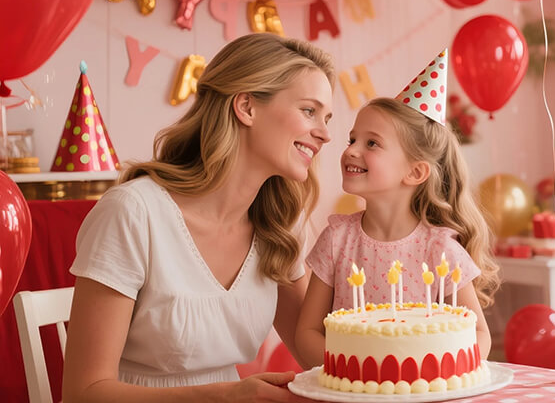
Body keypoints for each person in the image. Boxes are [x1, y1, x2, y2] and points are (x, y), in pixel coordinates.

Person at [63, 33, 336, 402]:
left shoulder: (280, 224)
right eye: (309, 111)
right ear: (247, 107)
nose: (325, 134)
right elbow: (84, 392)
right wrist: (224, 396)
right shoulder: (134, 213)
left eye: (327, 117)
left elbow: (319, 353)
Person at [295, 50, 498, 369]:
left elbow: (479, 333)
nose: (351, 151)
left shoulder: (440, 249)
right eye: (352, 140)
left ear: (415, 172)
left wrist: (444, 374)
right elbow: (307, 332)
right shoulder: (337, 240)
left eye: (371, 143)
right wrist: (357, 373)